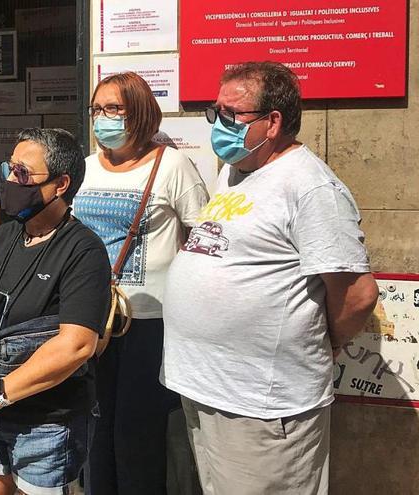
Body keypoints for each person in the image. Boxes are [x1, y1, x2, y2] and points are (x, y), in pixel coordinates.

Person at [161, 61, 379, 494]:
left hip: (263, 404)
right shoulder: (235, 172)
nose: (217, 124)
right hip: (205, 389)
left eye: (230, 114)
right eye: (214, 111)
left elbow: (357, 296)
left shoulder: (311, 187)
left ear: (273, 122)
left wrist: (324, 343)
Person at [0, 128, 111, 495]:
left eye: (22, 173)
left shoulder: (83, 250)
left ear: (60, 184)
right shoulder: (5, 236)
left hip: (45, 424)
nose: (10, 180)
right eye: (9, 168)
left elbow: (76, 346)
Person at [74, 72, 209, 494]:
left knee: (138, 431)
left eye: (114, 108)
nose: (103, 118)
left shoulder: (172, 165)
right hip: (88, 319)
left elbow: (206, 240)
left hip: (148, 321)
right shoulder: (84, 168)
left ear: (140, 112)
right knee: (94, 426)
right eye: (97, 109)